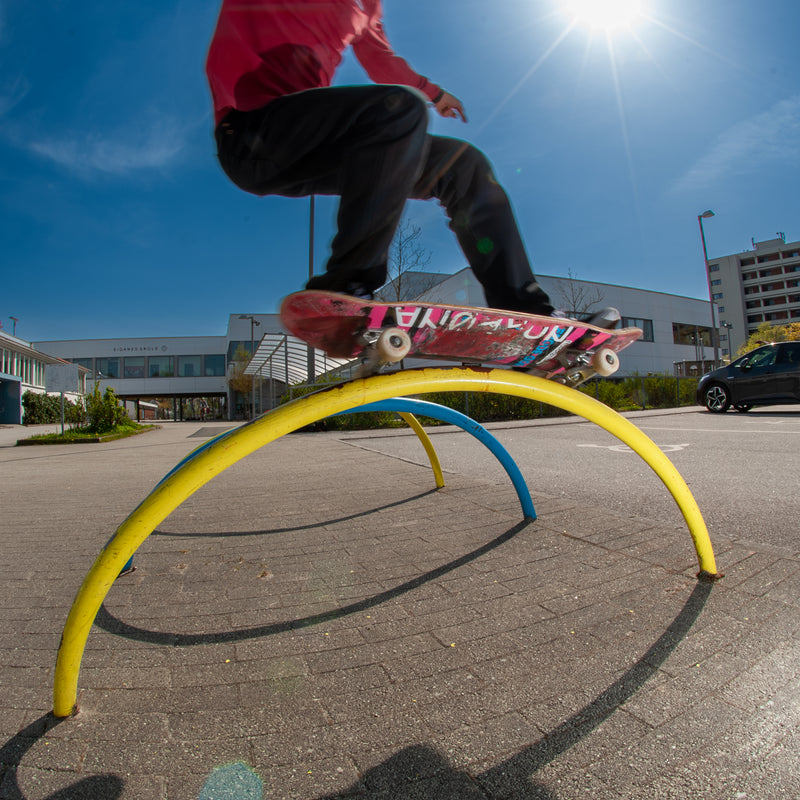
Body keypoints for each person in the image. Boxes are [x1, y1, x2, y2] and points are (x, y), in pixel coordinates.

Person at [206, 0, 613, 323]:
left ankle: (526, 309)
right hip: (251, 130)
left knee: (462, 163)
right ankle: (347, 286)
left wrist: (432, 92)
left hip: (314, 145)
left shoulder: (367, 8)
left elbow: (382, 61)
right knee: (399, 110)